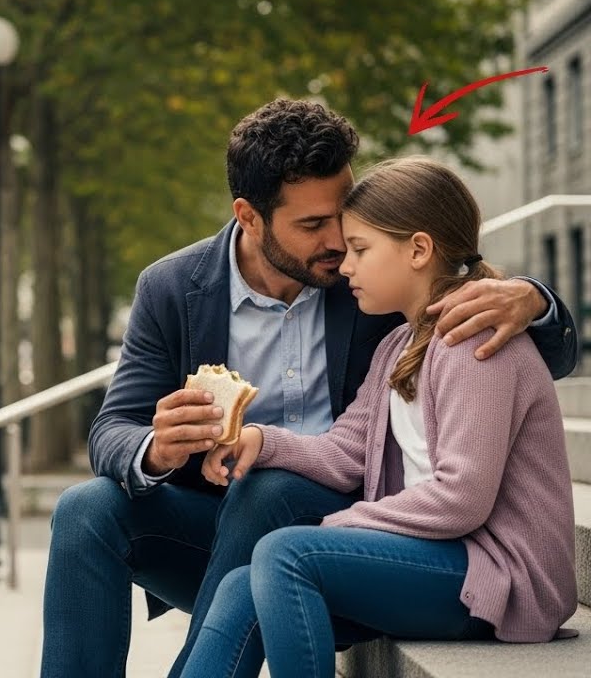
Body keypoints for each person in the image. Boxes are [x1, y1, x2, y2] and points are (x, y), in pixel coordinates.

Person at [39, 99, 580, 678]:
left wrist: (535, 299)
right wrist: (161, 447)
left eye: (345, 223)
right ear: (249, 216)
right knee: (84, 508)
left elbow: (491, 317)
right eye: (313, 225)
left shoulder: (388, 289)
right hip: (239, 524)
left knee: (271, 497)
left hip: (363, 520)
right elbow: (113, 429)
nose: (340, 247)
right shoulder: (173, 287)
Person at [182, 156, 578, 677]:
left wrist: (335, 525)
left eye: (361, 250)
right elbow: (347, 450)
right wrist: (261, 440)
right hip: (439, 560)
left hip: (500, 575)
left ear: (418, 249)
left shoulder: (474, 340)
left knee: (284, 553)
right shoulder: (399, 343)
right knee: (241, 584)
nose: (345, 266)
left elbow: (462, 497)